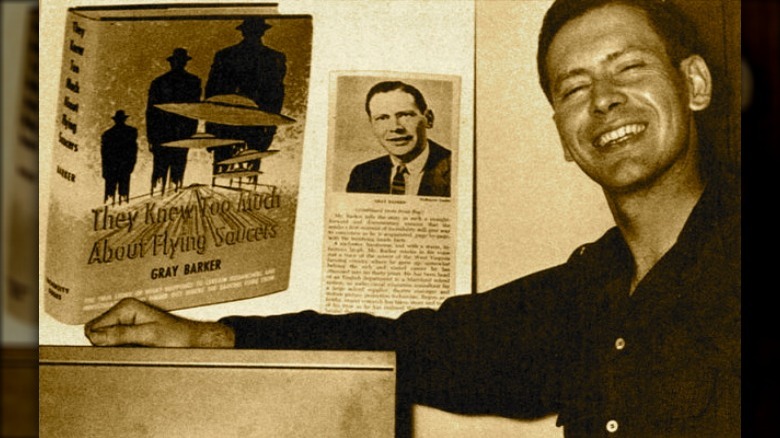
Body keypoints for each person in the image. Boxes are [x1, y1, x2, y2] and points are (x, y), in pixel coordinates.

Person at [85, 0, 740, 436]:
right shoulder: (584, 295)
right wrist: (214, 338)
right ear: (564, 138)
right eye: (574, 88)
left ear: (696, 85)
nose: (604, 100)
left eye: (629, 68)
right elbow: (412, 347)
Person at [204, 17, 286, 180]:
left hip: (248, 122)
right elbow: (212, 92)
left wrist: (271, 125)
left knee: (242, 171)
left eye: (255, 32)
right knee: (232, 170)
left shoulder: (272, 57)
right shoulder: (272, 57)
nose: (253, 35)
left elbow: (276, 92)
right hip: (236, 122)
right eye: (251, 32)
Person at [346, 81, 451, 197]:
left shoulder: (457, 170)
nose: (395, 127)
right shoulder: (362, 174)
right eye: (382, 118)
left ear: (428, 119)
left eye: (405, 115)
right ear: (372, 124)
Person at [145, 48, 202, 196]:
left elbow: (151, 112)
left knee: (160, 168)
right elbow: (194, 111)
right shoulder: (193, 82)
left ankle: (158, 198)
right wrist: (191, 134)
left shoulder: (158, 82)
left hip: (163, 133)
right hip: (180, 133)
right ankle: (170, 197)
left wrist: (151, 137)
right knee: (175, 168)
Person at [100, 110, 138, 205]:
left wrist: (105, 170)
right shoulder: (131, 132)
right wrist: (131, 164)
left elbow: (104, 154)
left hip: (113, 167)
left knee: (110, 193)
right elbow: (133, 150)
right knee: (122, 193)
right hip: (123, 167)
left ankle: (110, 211)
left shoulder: (107, 134)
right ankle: (120, 212)